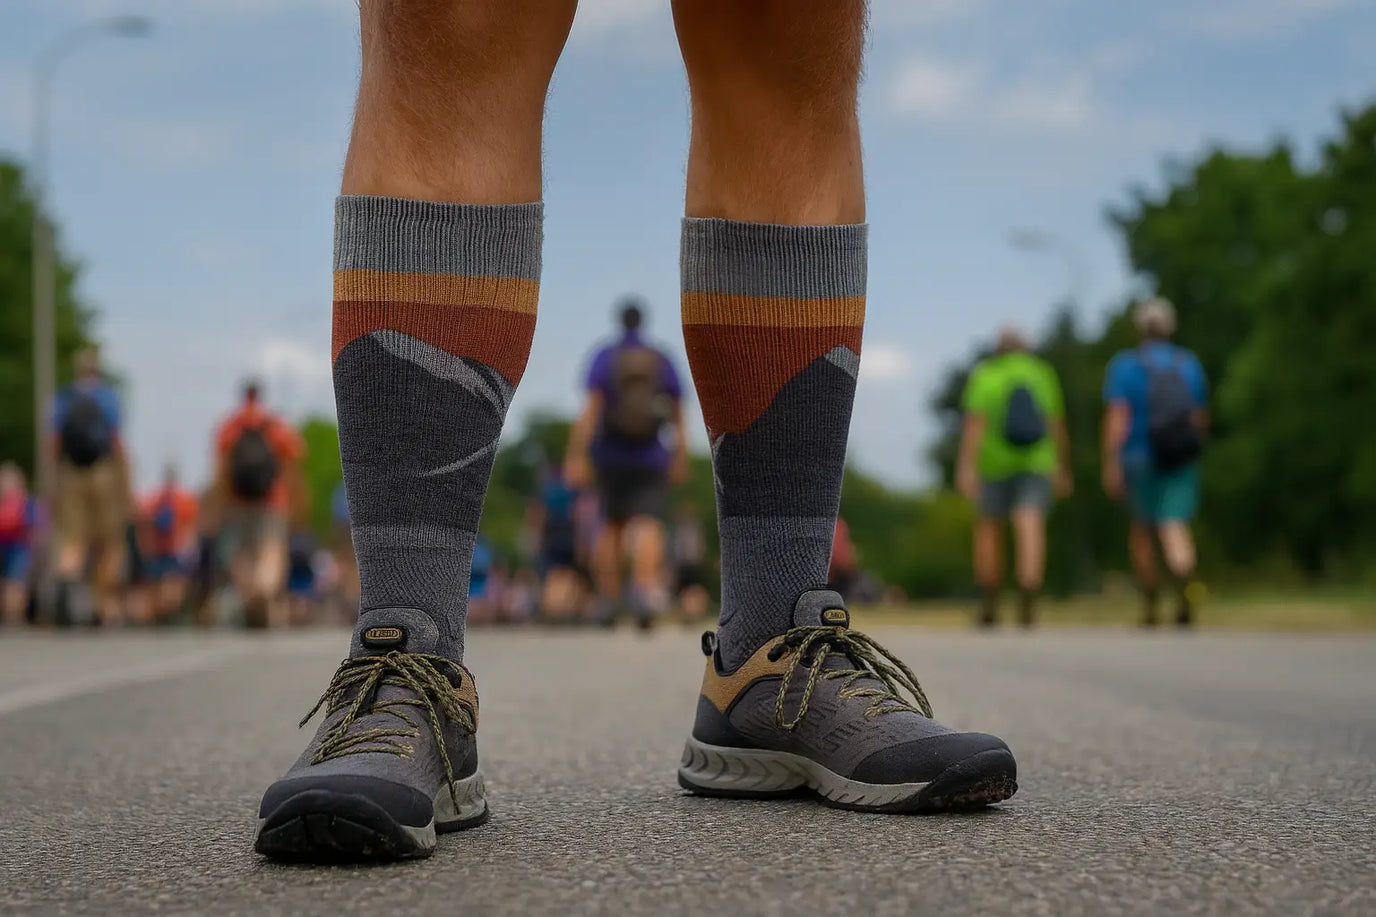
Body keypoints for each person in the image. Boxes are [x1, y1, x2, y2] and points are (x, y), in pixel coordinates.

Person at [254, 0, 1018, 863]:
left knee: (788, 32)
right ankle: (408, 659)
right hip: (626, 458)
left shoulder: (619, 361)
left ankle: (774, 659)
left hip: (630, 459)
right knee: (451, 21)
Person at [565, 300, 688, 629]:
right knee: (648, 523)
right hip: (651, 455)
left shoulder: (605, 357)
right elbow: (677, 410)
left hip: (610, 456)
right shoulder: (660, 358)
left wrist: (576, 454)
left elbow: (591, 410)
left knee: (612, 525)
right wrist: (680, 454)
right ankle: (646, 592)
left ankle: (608, 599)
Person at [1103, 298, 1208, 627]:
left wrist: (1111, 461)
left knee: (1143, 529)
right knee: (1175, 523)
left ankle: (1150, 602)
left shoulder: (1125, 366)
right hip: (1178, 454)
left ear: (1139, 328)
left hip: (1138, 454)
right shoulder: (1187, 363)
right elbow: (1198, 416)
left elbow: (1118, 417)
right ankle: (1185, 578)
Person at [956, 326, 1072, 627]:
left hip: (993, 464)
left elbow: (975, 424)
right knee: (1029, 521)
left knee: (989, 529)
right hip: (1037, 461)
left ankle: (990, 599)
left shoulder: (986, 374)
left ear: (999, 348)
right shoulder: (1041, 373)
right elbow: (1055, 423)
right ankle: (1029, 584)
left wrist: (966, 467)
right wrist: (1062, 466)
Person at [211, 381, 305, 629]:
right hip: (273, 500)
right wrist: (297, 502)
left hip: (237, 500)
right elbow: (292, 467)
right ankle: (264, 588)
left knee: (242, 551)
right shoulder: (276, 426)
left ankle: (250, 593)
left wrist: (219, 504)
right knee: (271, 549)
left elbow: (220, 470)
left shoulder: (229, 426)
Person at [50, 347, 132, 626]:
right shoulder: (107, 397)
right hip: (102, 472)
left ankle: (66, 575)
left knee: (72, 538)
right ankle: (103, 604)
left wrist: (55, 476)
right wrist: (125, 481)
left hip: (72, 471)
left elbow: (55, 442)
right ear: (98, 369)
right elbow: (116, 441)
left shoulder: (64, 397)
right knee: (111, 542)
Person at [140, 465, 200, 623]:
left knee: (170, 589)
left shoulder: (163, 500)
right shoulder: (174, 500)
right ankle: (163, 618)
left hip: (171, 551)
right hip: (166, 551)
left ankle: (170, 617)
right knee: (164, 589)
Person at [529, 460, 582, 623]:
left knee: (554, 575)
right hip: (568, 536)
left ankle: (554, 610)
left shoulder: (547, 490)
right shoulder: (573, 490)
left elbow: (538, 514)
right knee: (566, 575)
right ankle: (560, 609)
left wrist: (534, 538)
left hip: (553, 537)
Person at [0, 463, 38, 626]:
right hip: (20, 547)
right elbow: (35, 524)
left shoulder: (3, 500)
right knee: (17, 583)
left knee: (7, 582)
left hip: (4, 545)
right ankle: (15, 615)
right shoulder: (26, 501)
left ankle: (8, 614)